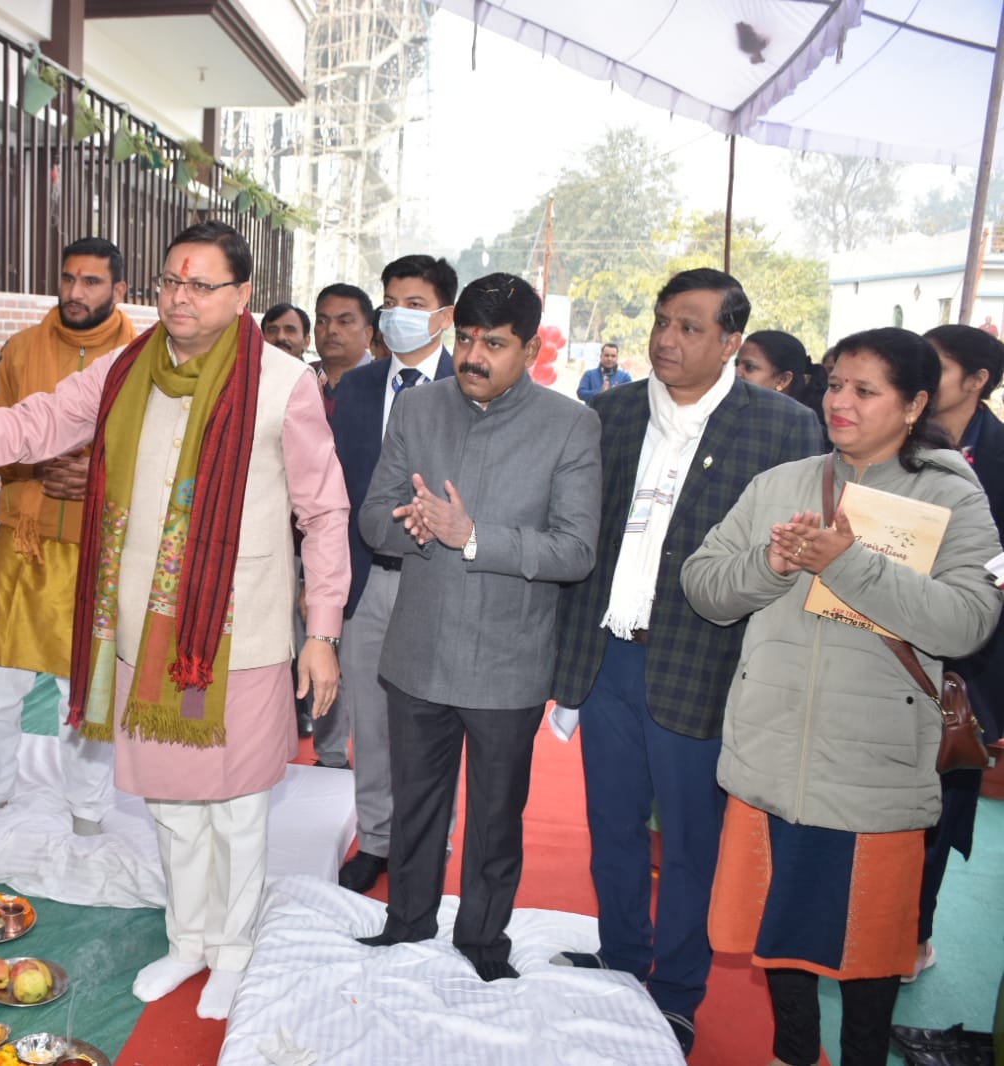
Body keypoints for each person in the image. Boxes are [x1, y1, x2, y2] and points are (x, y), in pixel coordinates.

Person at [0, 220, 349, 1020]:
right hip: (147, 635)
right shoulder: (125, 369)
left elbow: (325, 513)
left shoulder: (283, 383)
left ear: (242, 295)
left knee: (238, 808)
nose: (179, 299)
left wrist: (320, 633)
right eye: (170, 283)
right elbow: (28, 424)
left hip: (237, 631)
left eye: (201, 285)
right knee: (175, 807)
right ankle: (188, 943)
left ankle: (237, 949)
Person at [684, 326, 1001, 1066]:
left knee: (866, 950)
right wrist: (768, 562)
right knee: (774, 934)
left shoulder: (953, 496)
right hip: (769, 753)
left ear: (914, 402)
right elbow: (704, 585)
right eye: (833, 384)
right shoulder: (782, 482)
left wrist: (848, 564)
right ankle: (793, 1054)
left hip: (871, 770)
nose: (840, 403)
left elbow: (968, 621)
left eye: (865, 390)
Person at [549, 268, 824, 1055]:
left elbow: (787, 560)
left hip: (705, 664)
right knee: (611, 825)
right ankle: (619, 956)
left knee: (692, 843)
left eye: (691, 327)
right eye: (662, 322)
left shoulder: (780, 428)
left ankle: (674, 990)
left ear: (732, 341)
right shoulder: (605, 413)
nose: (667, 340)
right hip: (607, 655)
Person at [353, 272, 600, 979]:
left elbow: (575, 551)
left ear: (530, 348)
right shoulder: (418, 410)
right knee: (416, 806)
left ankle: (482, 943)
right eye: (464, 338)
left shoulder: (570, 424)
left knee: (495, 820)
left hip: (507, 661)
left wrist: (470, 537)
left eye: (493, 343)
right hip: (418, 651)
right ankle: (406, 925)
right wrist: (411, 525)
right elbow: (373, 517)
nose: (472, 356)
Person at [0, 237, 136, 834]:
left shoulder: (144, 358)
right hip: (23, 542)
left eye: (92, 283)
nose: (76, 293)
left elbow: (163, 455)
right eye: (68, 279)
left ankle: (86, 806)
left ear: (120, 291)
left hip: (100, 548)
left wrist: (97, 476)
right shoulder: (21, 348)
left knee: (82, 690)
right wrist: (35, 465)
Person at [329, 254, 457, 891]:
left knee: (433, 722)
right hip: (368, 579)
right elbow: (336, 491)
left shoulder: (471, 386)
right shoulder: (355, 387)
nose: (398, 314)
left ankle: (428, 841)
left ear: (445, 314)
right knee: (371, 723)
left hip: (441, 579)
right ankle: (376, 838)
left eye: (414, 303)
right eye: (391, 301)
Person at [911, 324, 1004, 982]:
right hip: (881, 644)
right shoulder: (892, 439)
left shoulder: (997, 457)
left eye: (934, 366)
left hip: (966, 668)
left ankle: (911, 938)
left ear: (975, 381)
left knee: (937, 806)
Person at [311, 283, 375, 415]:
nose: (331, 330)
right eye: (322, 321)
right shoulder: (302, 377)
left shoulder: (385, 382)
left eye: (344, 321)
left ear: (368, 335)